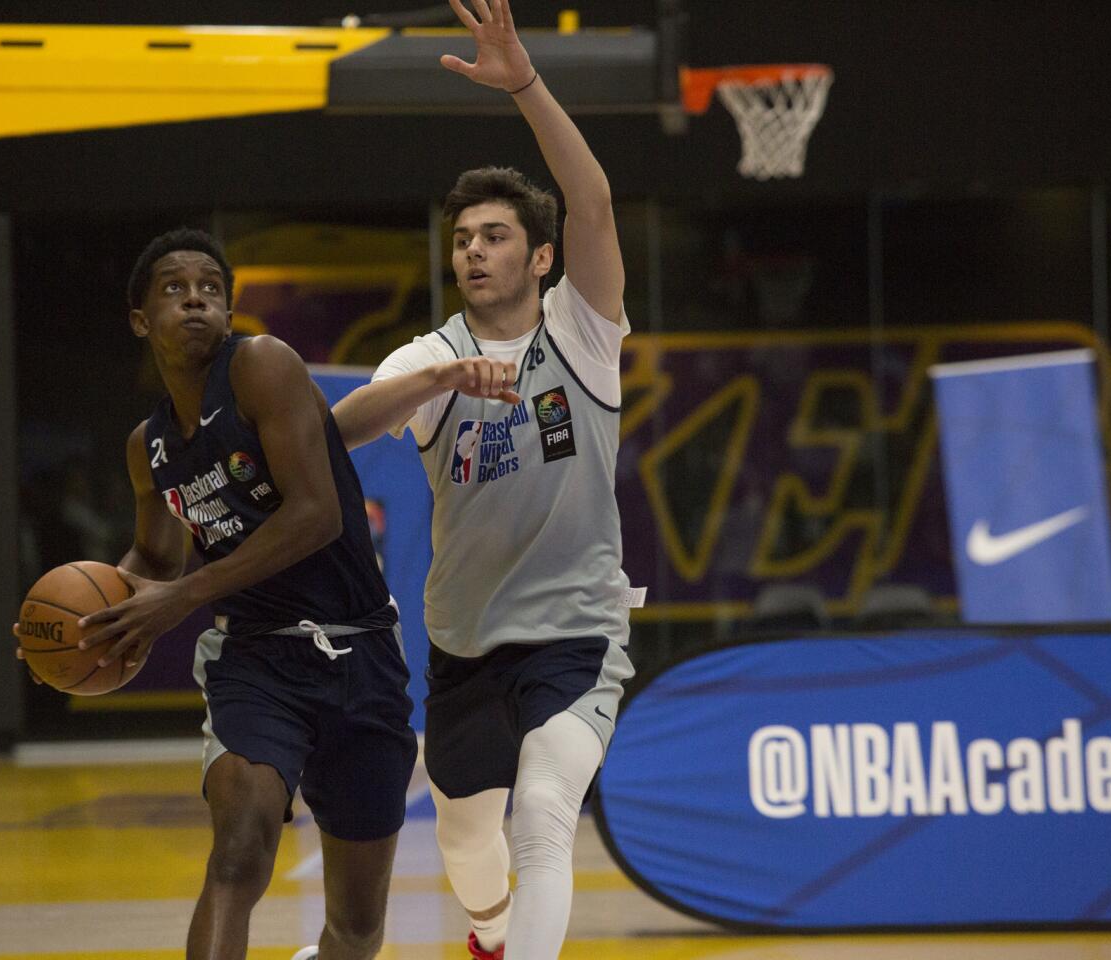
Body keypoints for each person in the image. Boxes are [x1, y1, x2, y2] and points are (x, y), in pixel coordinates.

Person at [18, 229, 497, 960]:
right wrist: (90, 623)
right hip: (255, 661)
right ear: (140, 319)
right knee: (240, 851)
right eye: (175, 289)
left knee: (359, 925)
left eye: (211, 289)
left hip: (361, 652)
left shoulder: (262, 367)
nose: (196, 300)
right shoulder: (147, 447)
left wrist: (178, 598)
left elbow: (315, 514)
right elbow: (154, 558)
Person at [331, 2, 640, 958]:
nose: (473, 248)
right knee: (469, 846)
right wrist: (440, 380)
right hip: (464, 644)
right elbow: (337, 432)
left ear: (539, 258)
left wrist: (522, 85)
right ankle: (492, 931)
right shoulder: (429, 356)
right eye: (463, 237)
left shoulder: (581, 333)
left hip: (576, 635)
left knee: (544, 811)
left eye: (496, 235)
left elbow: (590, 203)